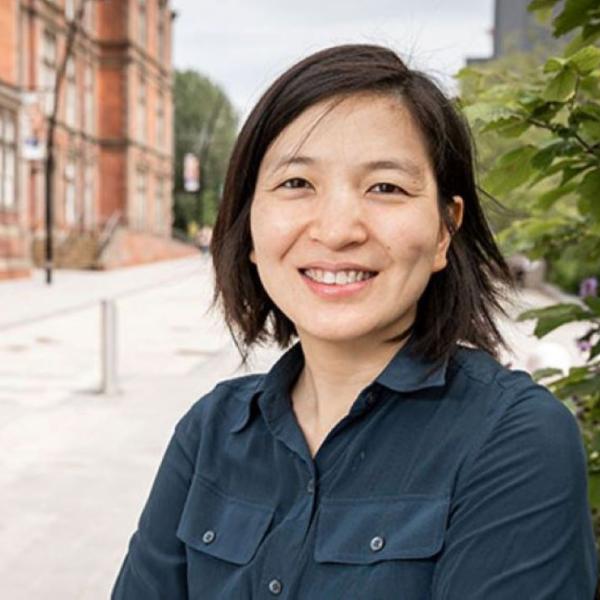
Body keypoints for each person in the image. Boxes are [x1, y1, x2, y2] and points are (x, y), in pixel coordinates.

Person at [112, 44, 597, 599]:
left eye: (385, 187)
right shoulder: (210, 434)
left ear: (444, 229)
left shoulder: (514, 440)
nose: (338, 229)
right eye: (297, 184)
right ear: (249, 226)